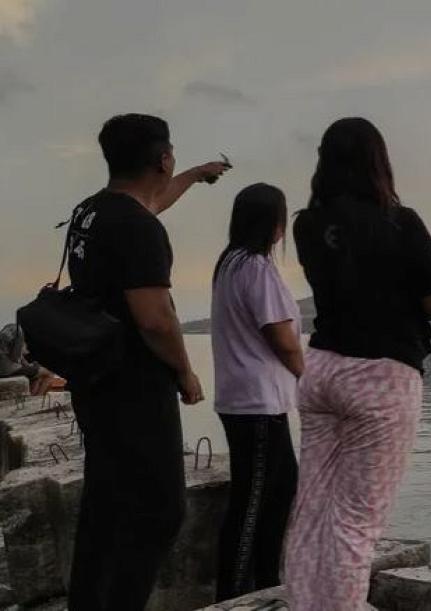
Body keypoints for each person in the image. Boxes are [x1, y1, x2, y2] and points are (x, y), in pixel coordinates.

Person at [284, 117, 431, 610]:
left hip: (322, 369)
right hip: (381, 379)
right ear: (378, 161)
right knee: (357, 521)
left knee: (312, 507)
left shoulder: (306, 224)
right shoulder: (401, 222)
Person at [65, 113, 230, 611]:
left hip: (94, 381)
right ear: (161, 158)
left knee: (105, 505)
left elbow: (152, 200)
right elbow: (155, 318)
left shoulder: (91, 213)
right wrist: (185, 370)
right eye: (173, 155)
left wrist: (198, 175)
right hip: (134, 387)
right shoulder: (138, 229)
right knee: (159, 509)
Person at [210, 183, 302, 601]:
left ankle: (266, 586)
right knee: (255, 501)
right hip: (257, 402)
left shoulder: (229, 263)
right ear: (272, 223)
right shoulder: (256, 268)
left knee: (279, 490)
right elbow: (281, 337)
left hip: (245, 398)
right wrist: (311, 376)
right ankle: (235, 597)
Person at [0, 323, 57, 395]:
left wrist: (29, 365)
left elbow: (18, 357)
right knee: (49, 373)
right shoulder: (18, 332)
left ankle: (32, 398)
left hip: (5, 368)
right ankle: (38, 401)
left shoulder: (7, 329)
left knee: (36, 376)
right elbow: (16, 357)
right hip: (8, 370)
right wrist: (29, 365)